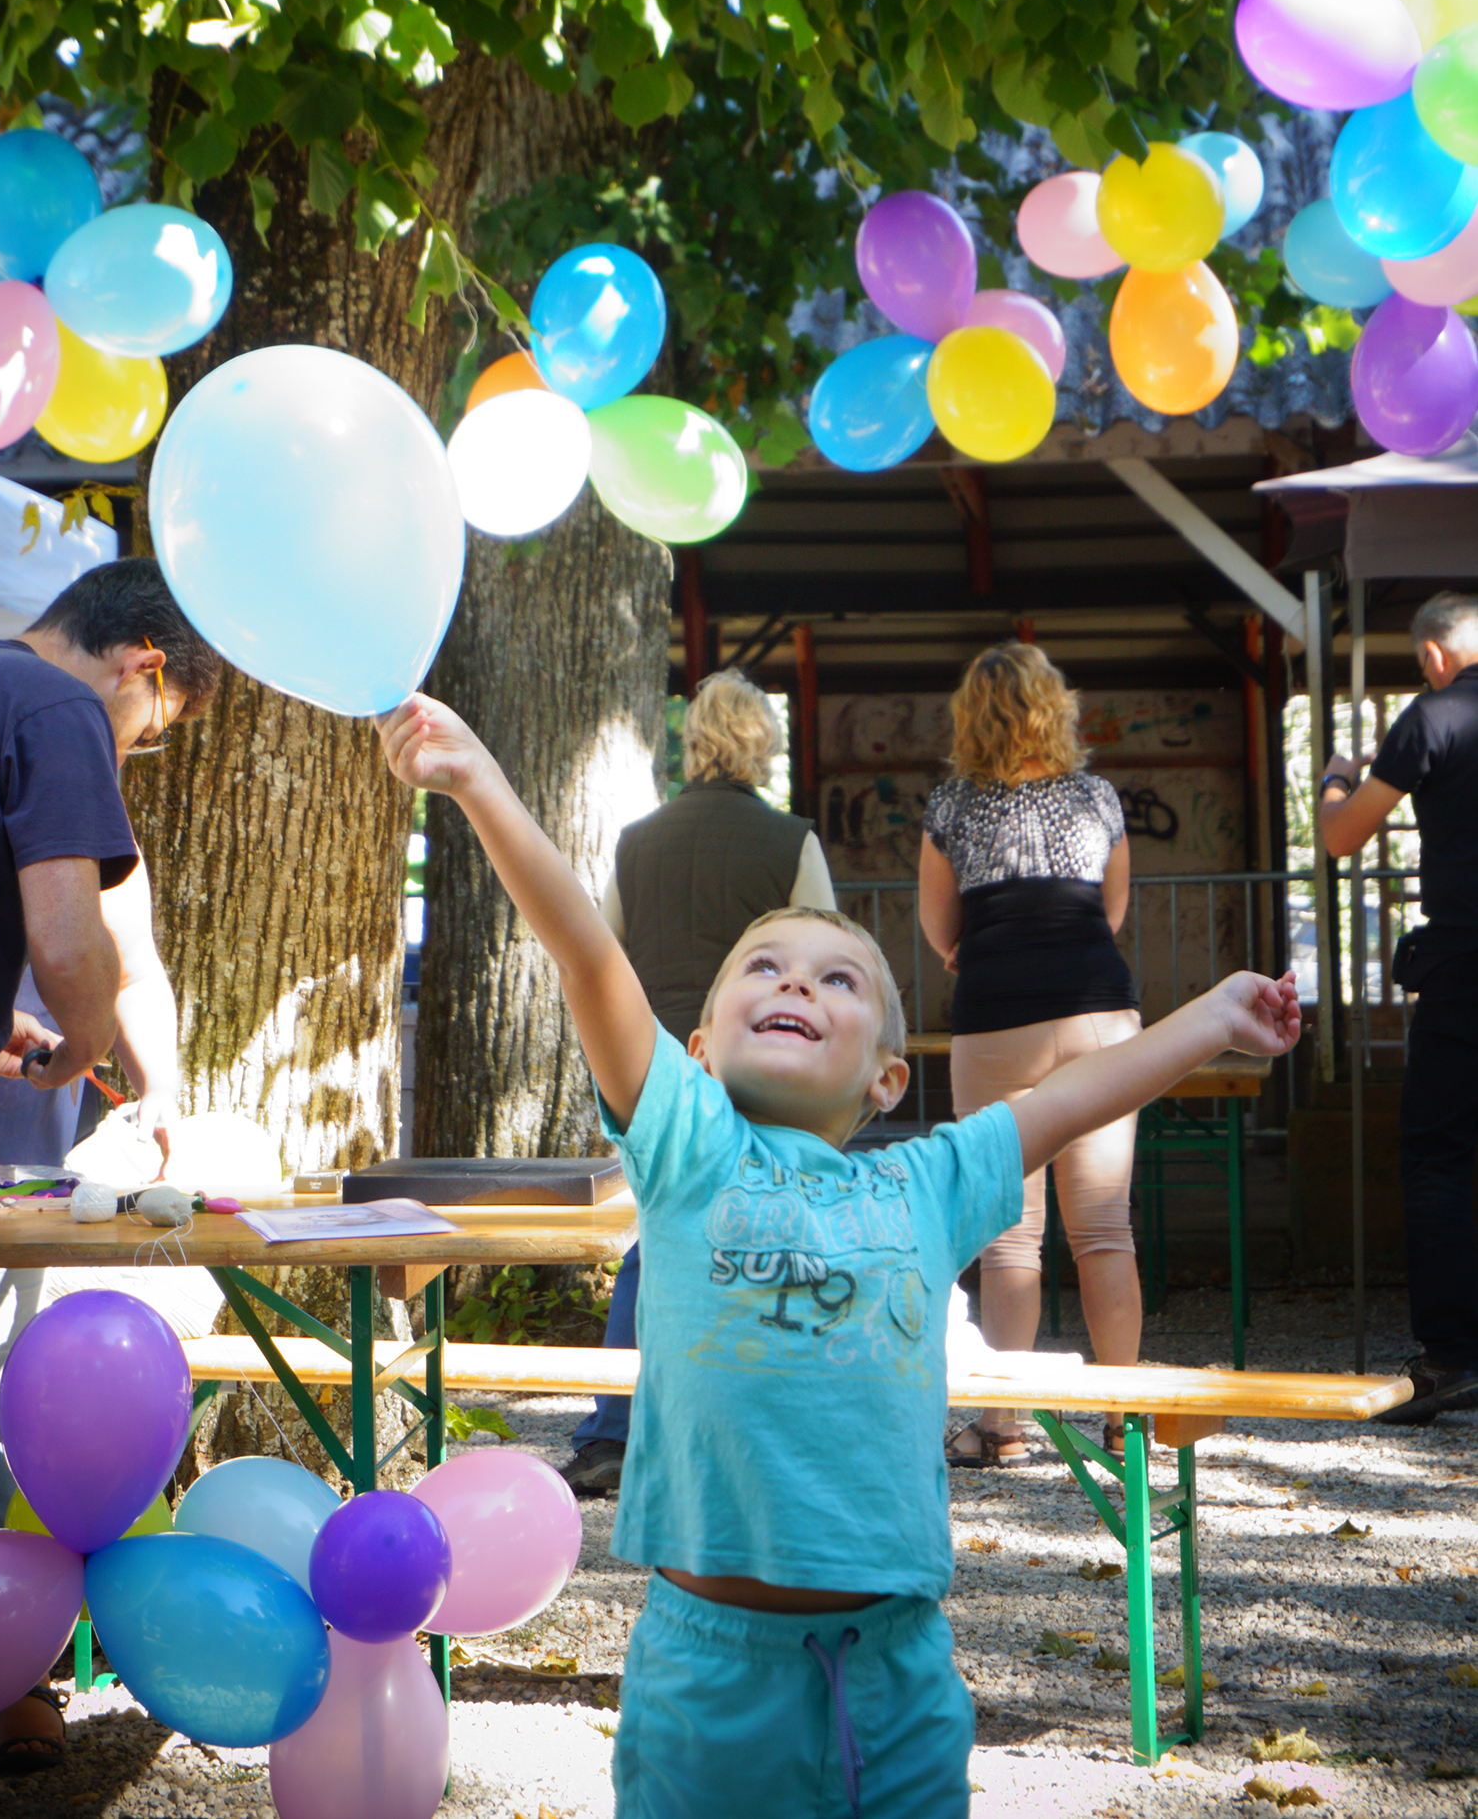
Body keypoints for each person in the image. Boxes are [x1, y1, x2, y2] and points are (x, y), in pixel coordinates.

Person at [378, 691, 1299, 1819]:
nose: (796, 984)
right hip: (705, 1676)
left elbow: (1069, 1098)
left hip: (895, 1672)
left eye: (837, 978)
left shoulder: (927, 1180)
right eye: (761, 968)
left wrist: (1211, 1016)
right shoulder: (684, 1144)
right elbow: (585, 949)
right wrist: (477, 780)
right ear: (699, 1046)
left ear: (887, 1078)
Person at [0, 558, 220, 1803]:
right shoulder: (60, 706)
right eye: (157, 730)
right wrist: (83, 1049)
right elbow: (72, 938)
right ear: (143, 661)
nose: (132, 751)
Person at [565, 668, 835, 1495]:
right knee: (764, 1233)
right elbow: (823, 954)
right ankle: (749, 1428)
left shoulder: (639, 840)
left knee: (661, 1235)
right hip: (753, 1059)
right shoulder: (791, 841)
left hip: (655, 1064)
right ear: (762, 740)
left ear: (695, 741)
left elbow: (603, 949)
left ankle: (616, 1426)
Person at [917, 642, 1139, 1470]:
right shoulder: (1098, 798)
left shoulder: (951, 807)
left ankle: (1002, 1425)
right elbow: (1109, 912)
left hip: (997, 1016)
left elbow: (940, 929)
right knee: (1105, 1230)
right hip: (1098, 1013)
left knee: (1009, 1236)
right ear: (1057, 706)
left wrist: (973, 947)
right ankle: (1127, 1417)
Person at [1320, 590, 1478, 1426]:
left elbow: (1344, 836)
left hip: (1464, 965)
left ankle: (1451, 1358)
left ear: (1433, 657)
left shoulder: (1431, 716)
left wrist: (1339, 778)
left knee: (1441, 1154)